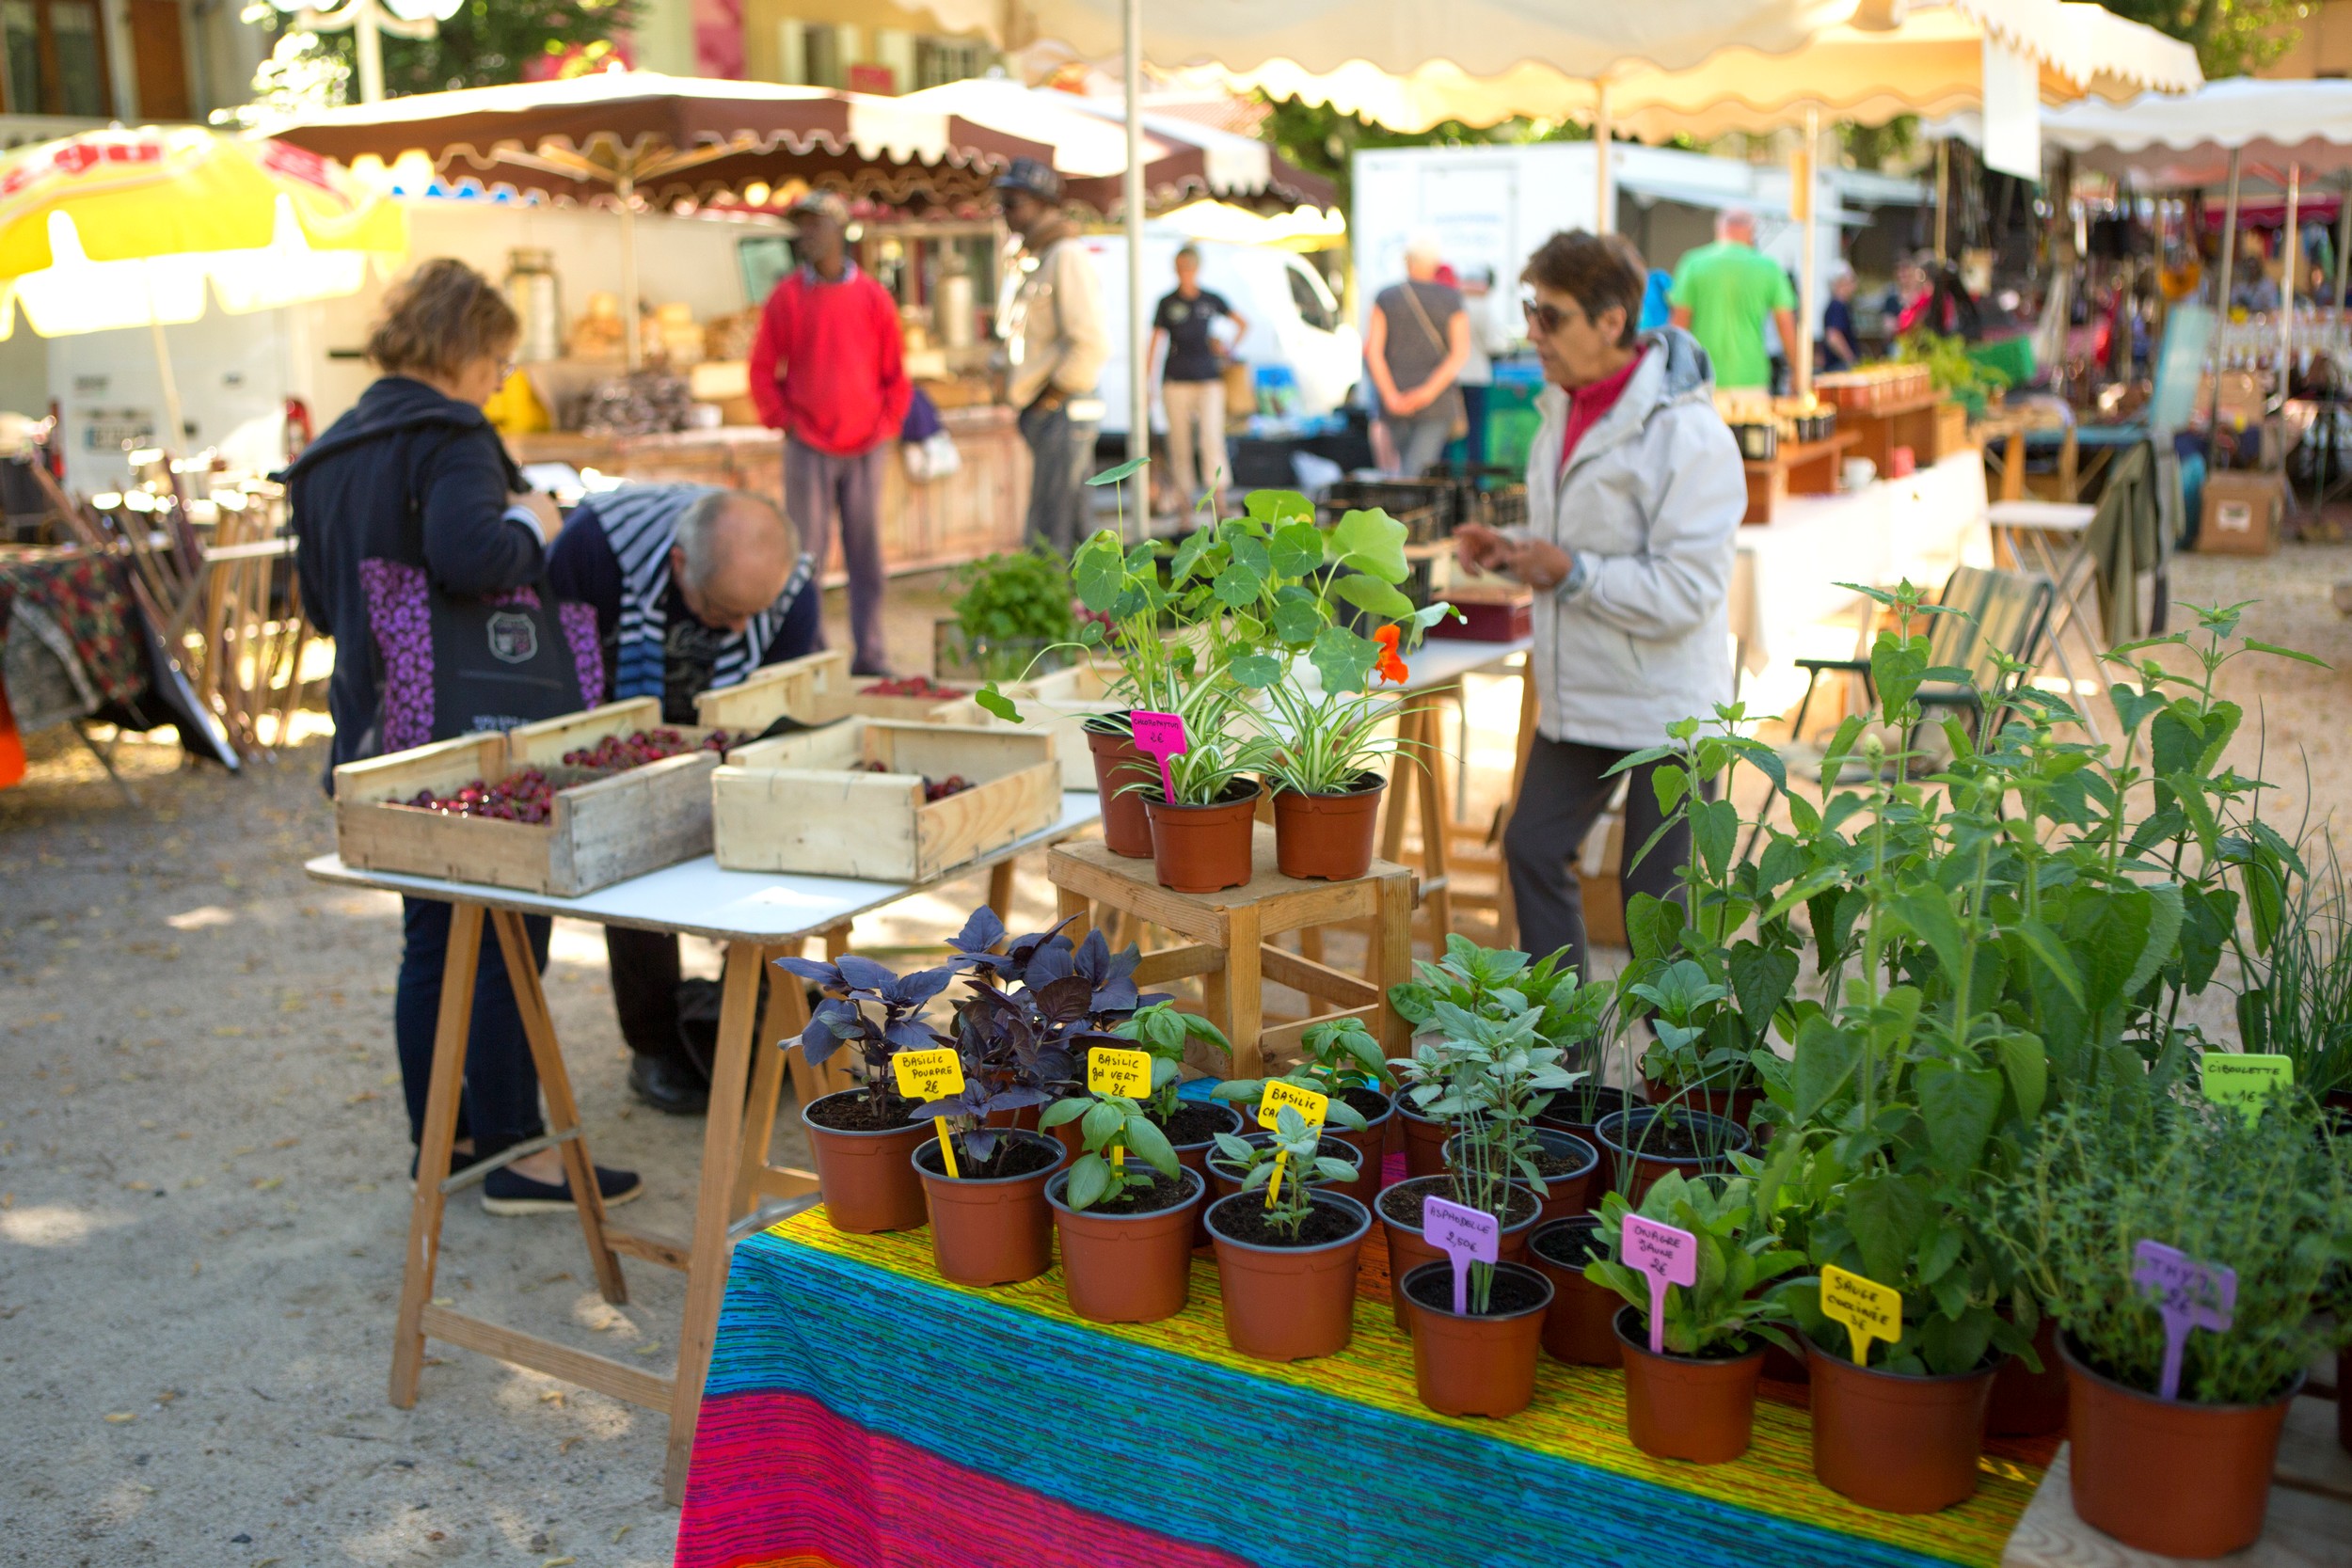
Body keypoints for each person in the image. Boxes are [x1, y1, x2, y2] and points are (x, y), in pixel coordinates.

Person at [285, 259, 641, 1214]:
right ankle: (519, 1154)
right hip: (474, 734)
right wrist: (533, 517)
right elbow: (473, 557)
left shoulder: (326, 452)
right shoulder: (451, 435)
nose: (499, 378)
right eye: (496, 357)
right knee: (506, 936)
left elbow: (321, 602)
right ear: (461, 347)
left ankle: (446, 1140)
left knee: (433, 938)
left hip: (376, 730)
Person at [1453, 230, 1741, 977]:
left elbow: (1690, 589)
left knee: (1655, 906)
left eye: (1550, 316)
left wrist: (1572, 572)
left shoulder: (1690, 433)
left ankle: (1670, 1085)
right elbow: (1577, 537)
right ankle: (1569, 1073)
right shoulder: (1564, 405)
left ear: (1611, 321)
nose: (1532, 332)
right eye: (1530, 310)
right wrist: (1516, 545)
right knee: (1532, 846)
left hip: (1669, 705)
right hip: (1585, 690)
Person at [547, 483, 819, 1115]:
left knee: (773, 824)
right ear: (678, 566)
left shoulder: (790, 588)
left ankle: (739, 1020)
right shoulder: (590, 553)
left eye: (757, 612)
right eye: (723, 610)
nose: (742, 629)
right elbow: (568, 686)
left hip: (724, 733)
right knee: (627, 856)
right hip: (619, 720)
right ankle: (654, 1045)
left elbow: (779, 714)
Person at [747, 190, 908, 676]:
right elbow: (761, 368)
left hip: (865, 445)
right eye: (802, 226)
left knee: (867, 554)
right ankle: (809, 652)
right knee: (805, 557)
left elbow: (896, 375)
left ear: (840, 231)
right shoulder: (787, 296)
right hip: (808, 444)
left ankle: (871, 654)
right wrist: (785, 419)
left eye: (815, 224)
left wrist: (886, 425)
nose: (806, 235)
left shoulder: (873, 297)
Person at [997, 157, 1108, 554]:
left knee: (1051, 534)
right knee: (1074, 531)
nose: (1005, 213)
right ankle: (1086, 613)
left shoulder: (1065, 255)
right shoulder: (1035, 257)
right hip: (1048, 409)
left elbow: (1091, 343)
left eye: (1013, 203)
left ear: (1043, 203)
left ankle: (1060, 612)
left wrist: (1049, 400)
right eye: (1003, 202)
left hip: (1063, 408)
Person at [1150, 245, 1247, 518]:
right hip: (1176, 380)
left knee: (1211, 439)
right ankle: (1184, 510)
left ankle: (1220, 504)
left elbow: (1242, 323)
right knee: (1179, 444)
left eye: (1189, 267)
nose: (1185, 273)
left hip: (1208, 379)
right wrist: (1149, 384)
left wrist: (1228, 350)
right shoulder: (1167, 303)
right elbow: (1155, 343)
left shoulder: (1210, 300)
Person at [1366, 230, 1471, 478]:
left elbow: (1373, 351)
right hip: (1436, 402)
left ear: (1407, 261)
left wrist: (1390, 395)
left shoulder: (1386, 297)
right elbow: (1460, 352)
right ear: (1435, 264)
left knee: (1405, 469)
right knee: (1417, 471)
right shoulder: (1452, 299)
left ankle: (1402, 515)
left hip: (1395, 399)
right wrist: (1427, 393)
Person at [1669, 208, 1797, 393]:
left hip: (1702, 379)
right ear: (1751, 232)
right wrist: (1796, 370)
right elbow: (1786, 324)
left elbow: (1679, 325)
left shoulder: (1693, 263)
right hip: (1752, 379)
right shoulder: (1769, 267)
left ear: (1719, 229)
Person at [1454, 265, 1512, 470]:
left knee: (1453, 433)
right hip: (1477, 377)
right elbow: (1493, 344)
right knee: (1476, 433)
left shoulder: (1455, 305)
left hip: (1452, 377)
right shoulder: (1484, 307)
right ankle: (1475, 482)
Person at [1820, 264, 1860, 372]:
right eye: (1851, 281)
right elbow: (1833, 336)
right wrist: (1851, 359)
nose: (1854, 286)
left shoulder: (1838, 305)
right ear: (1841, 284)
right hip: (1839, 368)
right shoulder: (1837, 306)